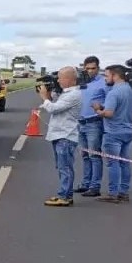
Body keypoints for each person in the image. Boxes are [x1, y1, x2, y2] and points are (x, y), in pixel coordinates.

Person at [92, 64, 132, 203]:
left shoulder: (114, 92)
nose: (105, 78)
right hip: (128, 130)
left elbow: (109, 113)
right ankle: (124, 192)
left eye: (107, 75)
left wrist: (97, 109)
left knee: (113, 163)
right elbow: (124, 108)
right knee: (124, 162)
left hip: (113, 132)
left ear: (115, 75)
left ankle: (113, 193)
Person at [38, 67, 84, 206]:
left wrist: (45, 97)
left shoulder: (73, 94)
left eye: (61, 78)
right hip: (59, 134)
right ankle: (64, 194)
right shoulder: (66, 93)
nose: (58, 80)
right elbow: (56, 104)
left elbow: (53, 108)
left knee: (65, 168)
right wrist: (51, 94)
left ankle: (65, 196)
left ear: (70, 79)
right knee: (62, 167)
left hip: (66, 135)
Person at [74, 56, 108, 197]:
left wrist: (101, 107)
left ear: (98, 68)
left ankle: (95, 186)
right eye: (87, 68)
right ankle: (86, 183)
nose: (89, 71)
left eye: (93, 68)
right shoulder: (81, 82)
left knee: (94, 155)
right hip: (80, 122)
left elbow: (111, 101)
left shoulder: (103, 83)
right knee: (85, 155)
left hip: (94, 122)